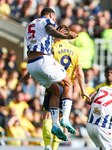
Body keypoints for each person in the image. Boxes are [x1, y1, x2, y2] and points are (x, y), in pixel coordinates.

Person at [21, 8, 78, 141]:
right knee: (68, 84)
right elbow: (50, 30)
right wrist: (65, 36)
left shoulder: (31, 24)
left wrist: (29, 72)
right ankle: (65, 119)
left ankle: (56, 125)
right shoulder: (47, 21)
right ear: (52, 15)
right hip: (43, 61)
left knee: (56, 91)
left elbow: (39, 43)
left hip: (32, 64)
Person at [42, 25, 90, 150]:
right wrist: (83, 90)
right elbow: (79, 73)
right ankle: (54, 148)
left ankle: (47, 145)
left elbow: (45, 65)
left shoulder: (52, 47)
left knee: (48, 117)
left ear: (59, 34)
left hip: (54, 84)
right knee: (60, 117)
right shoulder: (76, 50)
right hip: (68, 88)